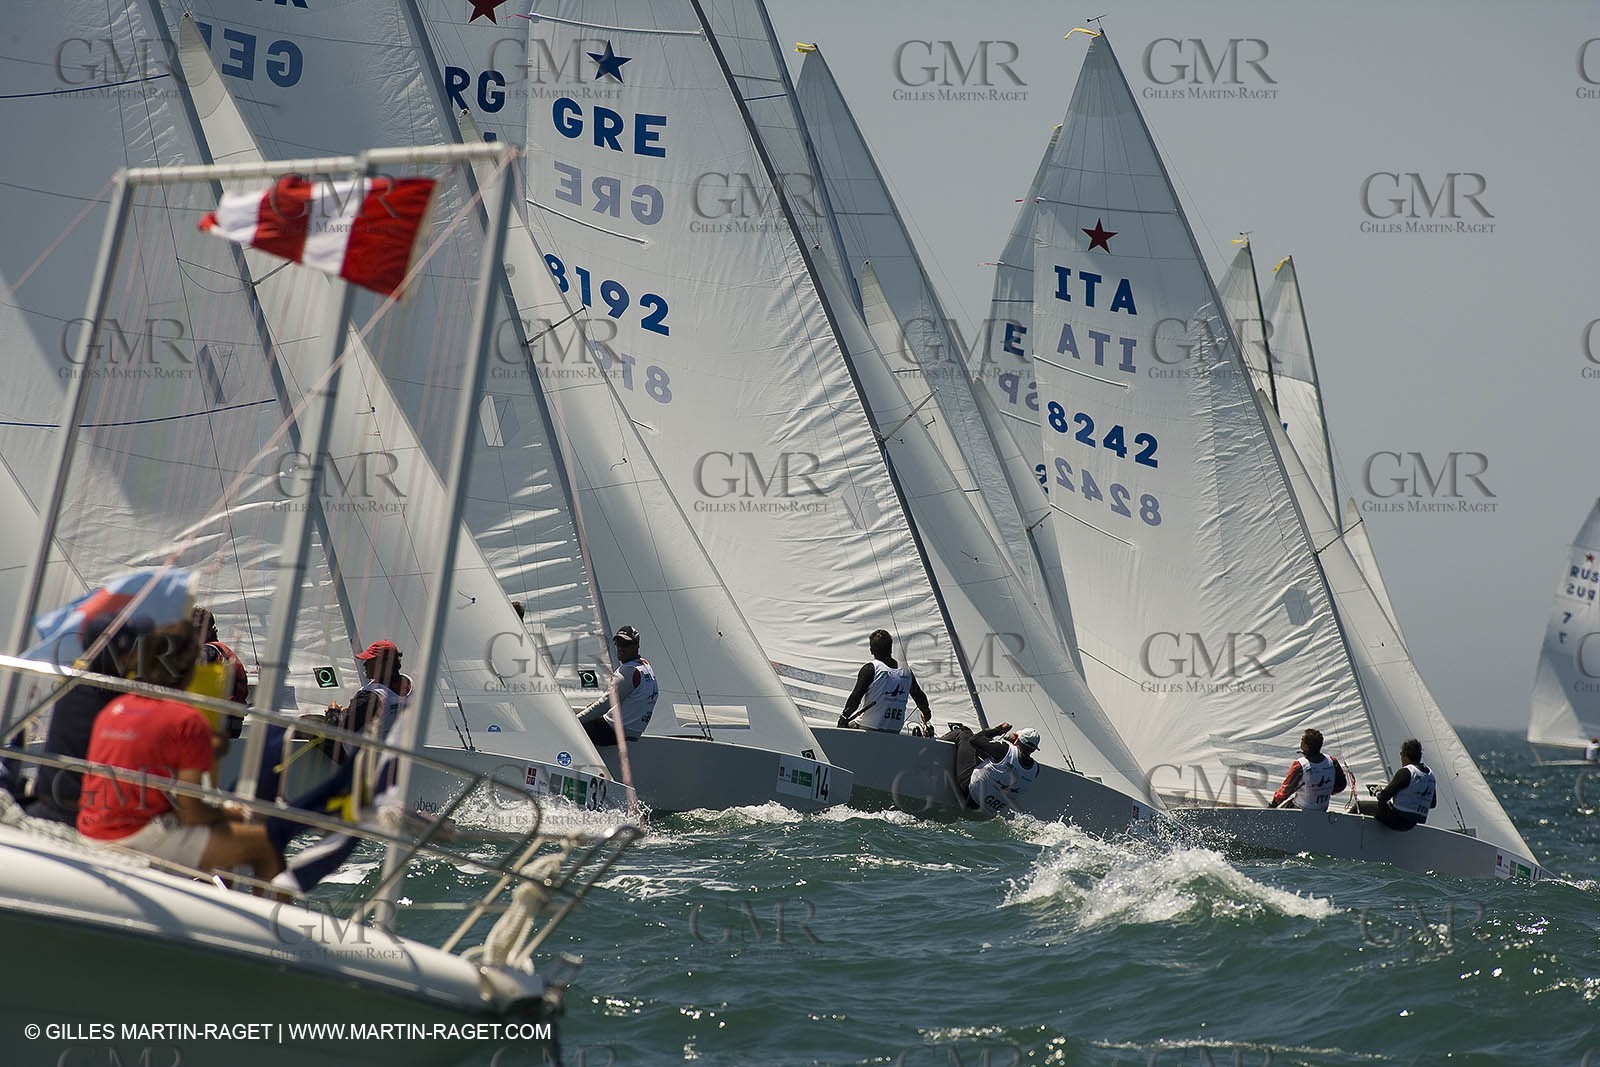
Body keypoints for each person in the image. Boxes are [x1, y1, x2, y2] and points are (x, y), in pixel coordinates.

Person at [76, 615, 283, 886]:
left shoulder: (112, 711)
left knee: (215, 837)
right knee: (263, 847)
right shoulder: (186, 719)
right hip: (136, 837)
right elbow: (192, 812)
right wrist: (229, 813)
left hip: (89, 830)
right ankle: (262, 924)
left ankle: (207, 890)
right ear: (189, 670)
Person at [837, 629, 932, 736]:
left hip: (868, 728)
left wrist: (843, 718)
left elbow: (855, 699)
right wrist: (926, 714)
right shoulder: (906, 672)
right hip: (894, 730)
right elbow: (920, 698)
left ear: (871, 650)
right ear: (891, 649)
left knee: (846, 725)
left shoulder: (871, 668)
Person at [576, 626, 658, 747]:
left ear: (636, 646)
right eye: (618, 643)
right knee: (589, 713)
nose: (620, 648)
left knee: (570, 730)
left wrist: (574, 722)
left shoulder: (629, 671)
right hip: (633, 730)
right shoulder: (645, 665)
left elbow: (603, 706)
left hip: (614, 731)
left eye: (625, 644)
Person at [1269, 728, 1348, 812]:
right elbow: (1341, 785)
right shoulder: (1332, 761)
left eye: (1302, 740)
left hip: (1302, 809)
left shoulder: (1300, 765)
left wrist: (1272, 805)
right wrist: (1324, 792)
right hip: (1322, 808)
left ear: (1306, 746)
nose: (1300, 741)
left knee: (1283, 810)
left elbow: (1286, 790)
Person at [1374, 738, 1437, 832]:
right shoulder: (1430, 775)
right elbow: (1432, 804)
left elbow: (1383, 797)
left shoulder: (1406, 772)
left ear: (1405, 756)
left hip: (1396, 820)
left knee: (1361, 806)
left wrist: (1377, 792)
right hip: (1412, 824)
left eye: (1401, 754)